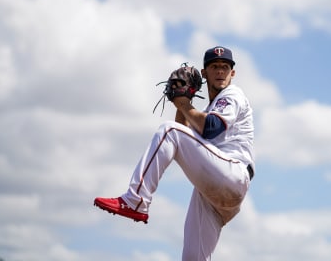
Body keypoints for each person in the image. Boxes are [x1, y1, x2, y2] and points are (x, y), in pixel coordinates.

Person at [94, 46, 255, 261]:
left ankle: (136, 200)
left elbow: (211, 127)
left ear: (232, 73)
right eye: (214, 67)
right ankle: (137, 200)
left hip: (232, 174)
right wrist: (183, 101)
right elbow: (184, 135)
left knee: (167, 130)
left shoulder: (232, 94)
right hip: (214, 194)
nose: (220, 72)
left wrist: (183, 102)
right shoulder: (207, 109)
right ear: (204, 72)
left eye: (225, 67)